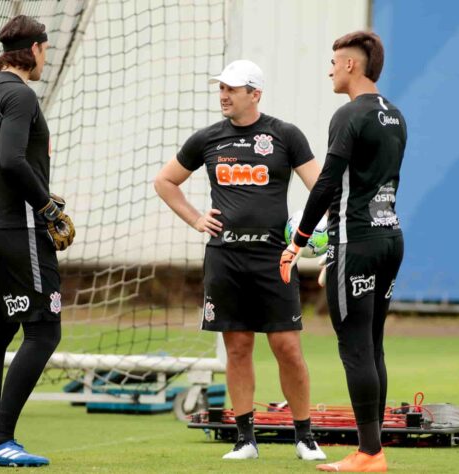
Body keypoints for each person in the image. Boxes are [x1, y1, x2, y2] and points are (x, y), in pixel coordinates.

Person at [155, 59, 326, 461]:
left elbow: (321, 186)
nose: (224, 95)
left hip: (274, 259)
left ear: (255, 94)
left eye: (232, 89)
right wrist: (196, 218)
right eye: (221, 88)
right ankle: (245, 439)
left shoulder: (285, 135)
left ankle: (305, 437)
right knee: (237, 347)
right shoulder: (208, 139)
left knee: (287, 347)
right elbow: (165, 181)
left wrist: (310, 235)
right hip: (225, 258)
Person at [279, 31, 406, 473]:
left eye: (334, 61)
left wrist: (299, 243)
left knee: (355, 349)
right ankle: (372, 450)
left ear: (352, 65)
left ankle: (369, 454)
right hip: (390, 237)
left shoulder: (349, 114)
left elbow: (328, 184)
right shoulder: (396, 115)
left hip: (356, 242)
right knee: (373, 347)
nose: (329, 69)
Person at [0, 15, 75, 467]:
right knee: (45, 331)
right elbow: (11, 159)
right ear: (38, 49)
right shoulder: (20, 93)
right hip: (21, 231)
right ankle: (0, 438)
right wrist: (46, 206)